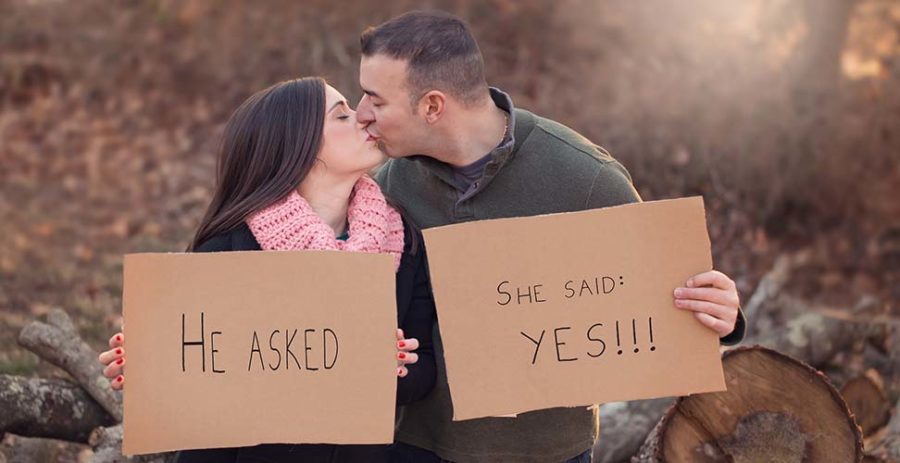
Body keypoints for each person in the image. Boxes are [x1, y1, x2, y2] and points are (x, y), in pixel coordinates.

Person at [355, 11, 747, 463]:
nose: (362, 114)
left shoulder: (586, 179)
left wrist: (722, 313)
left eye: (376, 100)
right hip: (417, 446)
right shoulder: (388, 187)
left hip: (547, 453)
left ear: (432, 106)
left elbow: (660, 302)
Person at [97, 77, 437, 463]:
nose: (362, 117)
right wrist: (146, 366)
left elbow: (425, 371)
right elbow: (197, 370)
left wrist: (394, 367)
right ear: (297, 146)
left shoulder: (402, 241)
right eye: (341, 115)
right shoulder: (228, 247)